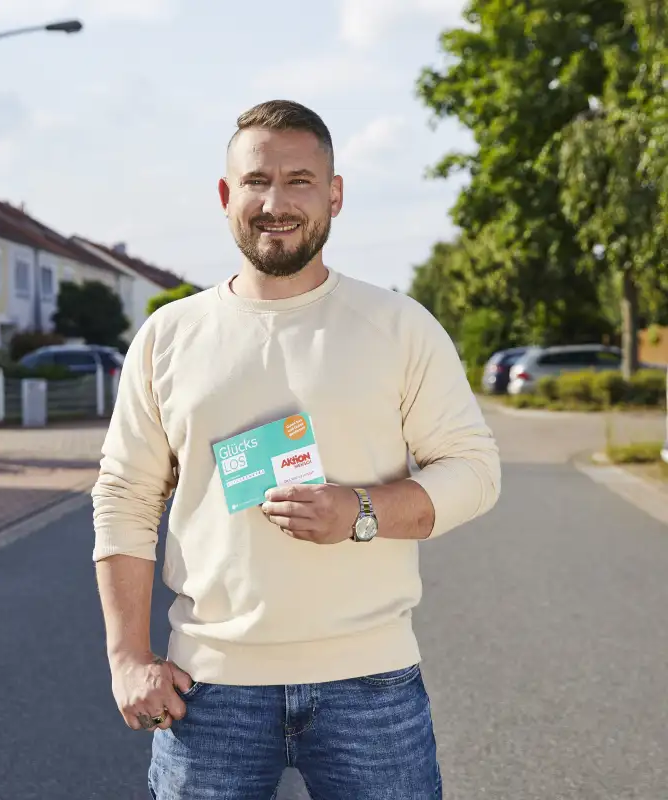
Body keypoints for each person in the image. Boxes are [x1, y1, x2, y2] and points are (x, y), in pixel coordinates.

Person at [92, 99, 501, 799]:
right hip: (210, 690)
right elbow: (125, 497)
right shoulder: (169, 336)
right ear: (226, 196)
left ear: (335, 195)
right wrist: (128, 656)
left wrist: (361, 510)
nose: (274, 202)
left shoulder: (399, 326)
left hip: (370, 686)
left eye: (300, 181)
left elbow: (475, 471)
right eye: (256, 181)